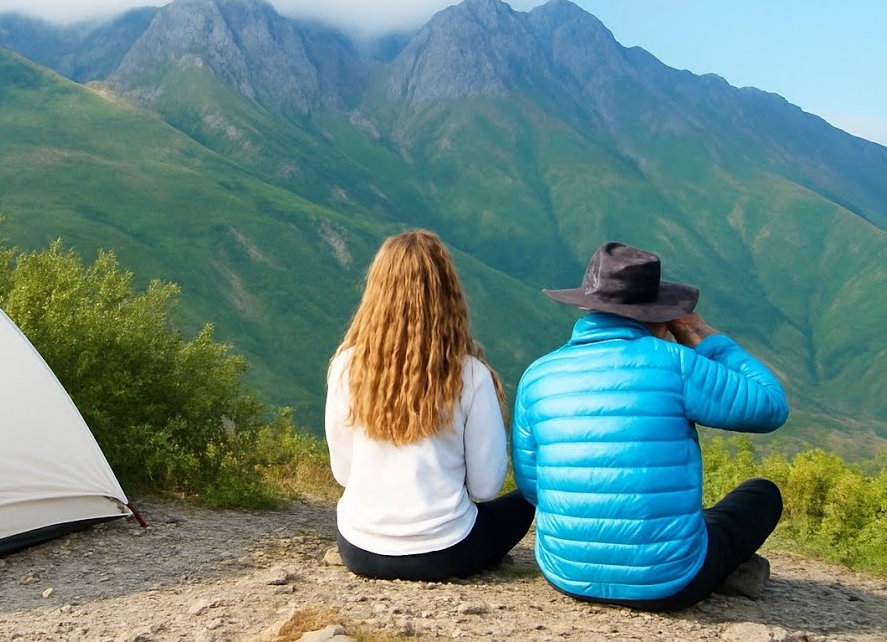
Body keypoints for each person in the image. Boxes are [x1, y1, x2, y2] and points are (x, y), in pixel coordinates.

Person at [514, 241, 788, 610]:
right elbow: (770, 406)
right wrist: (701, 335)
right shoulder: (676, 363)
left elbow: (533, 488)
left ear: (586, 306)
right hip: (668, 583)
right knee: (762, 495)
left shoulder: (537, 376)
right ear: (660, 315)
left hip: (567, 573)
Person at [326, 229, 535, 581]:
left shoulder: (347, 366)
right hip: (446, 552)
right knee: (527, 498)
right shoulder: (470, 374)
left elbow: (343, 474)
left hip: (359, 549)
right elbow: (485, 488)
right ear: (448, 295)